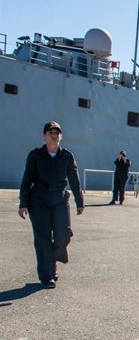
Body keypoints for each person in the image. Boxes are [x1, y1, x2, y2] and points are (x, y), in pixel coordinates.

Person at [18, 121, 84, 288]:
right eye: (50, 133)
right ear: (44, 136)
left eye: (57, 133)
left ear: (60, 136)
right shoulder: (35, 156)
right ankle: (47, 275)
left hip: (60, 199)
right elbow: (27, 180)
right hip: (39, 200)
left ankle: (53, 259)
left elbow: (74, 181)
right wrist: (23, 203)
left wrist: (80, 202)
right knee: (43, 238)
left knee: (63, 235)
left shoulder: (67, 156)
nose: (54, 136)